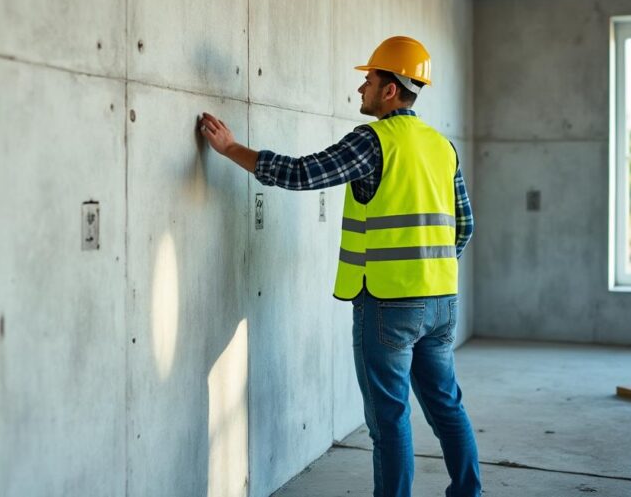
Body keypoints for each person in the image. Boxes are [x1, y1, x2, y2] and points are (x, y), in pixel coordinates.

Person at [199, 36, 481, 497]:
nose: (361, 90)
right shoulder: (442, 146)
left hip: (389, 304)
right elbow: (464, 225)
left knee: (389, 421)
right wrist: (431, 271)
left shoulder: (374, 141)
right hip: (442, 302)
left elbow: (301, 173)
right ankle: (469, 492)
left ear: (390, 89)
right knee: (447, 405)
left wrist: (231, 149)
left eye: (368, 80)